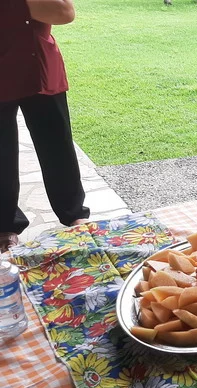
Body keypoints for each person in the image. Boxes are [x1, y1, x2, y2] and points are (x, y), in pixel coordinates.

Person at [0, 0, 90, 252]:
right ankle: (4, 225)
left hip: (40, 63)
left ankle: (73, 213)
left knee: (57, 145)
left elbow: (64, 12)